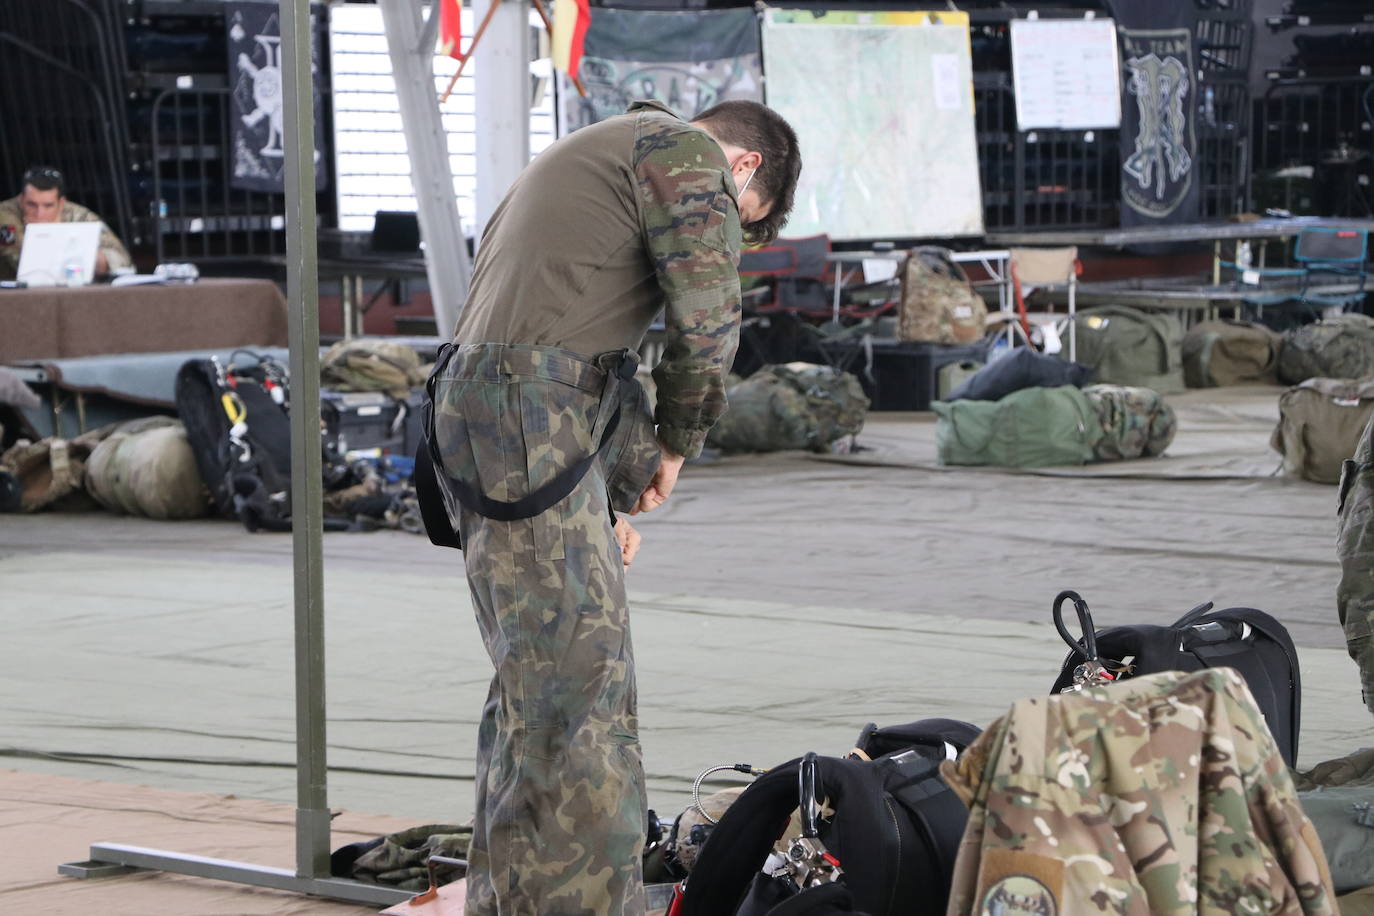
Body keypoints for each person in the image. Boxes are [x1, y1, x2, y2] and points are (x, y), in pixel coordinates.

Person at [430, 98, 801, 915]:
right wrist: (678, 441)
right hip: (528, 420)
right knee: (581, 696)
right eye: (743, 225)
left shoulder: (595, 151)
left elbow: (570, 338)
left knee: (535, 684)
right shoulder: (687, 154)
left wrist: (602, 497)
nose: (730, 239)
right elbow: (706, 324)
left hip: (495, 415)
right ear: (742, 168)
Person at [0, 166, 132, 281]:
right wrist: (49, 234)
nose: (40, 213)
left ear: (61, 203)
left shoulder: (79, 215)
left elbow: (123, 260)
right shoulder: (5, 214)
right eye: (31, 204)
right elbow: (21, 264)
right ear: (21, 200)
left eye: (48, 206)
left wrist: (99, 260)